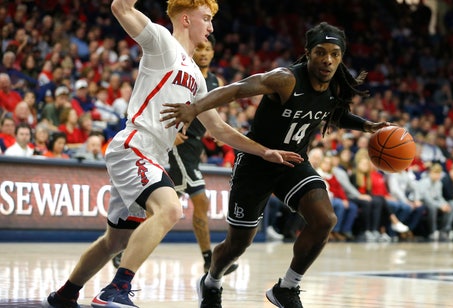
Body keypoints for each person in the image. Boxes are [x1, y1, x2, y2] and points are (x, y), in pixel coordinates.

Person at [42, 1, 302, 308]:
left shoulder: (197, 76)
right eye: (206, 18)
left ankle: (65, 294)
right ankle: (117, 289)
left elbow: (217, 128)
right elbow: (120, 8)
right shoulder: (162, 43)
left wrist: (264, 151)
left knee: (116, 241)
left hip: (153, 154)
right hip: (136, 145)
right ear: (186, 19)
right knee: (170, 209)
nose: (211, 26)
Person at [160, 21, 390, 307]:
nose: (327, 60)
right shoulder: (286, 79)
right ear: (307, 53)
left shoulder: (336, 84)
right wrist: (193, 108)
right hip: (257, 162)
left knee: (325, 219)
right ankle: (211, 280)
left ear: (342, 57)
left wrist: (365, 125)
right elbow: (237, 89)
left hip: (293, 162)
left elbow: (332, 112)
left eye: (334, 53)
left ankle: (287, 287)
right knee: (238, 244)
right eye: (320, 52)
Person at [112, 34, 239, 274]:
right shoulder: (185, 74)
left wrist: (211, 131)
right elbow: (168, 102)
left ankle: (124, 251)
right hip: (179, 147)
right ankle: (207, 259)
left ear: (213, 53)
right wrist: (174, 131)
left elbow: (208, 115)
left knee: (162, 210)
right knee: (196, 202)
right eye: (199, 48)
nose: (203, 52)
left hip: (195, 148)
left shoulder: (215, 80)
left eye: (207, 49)